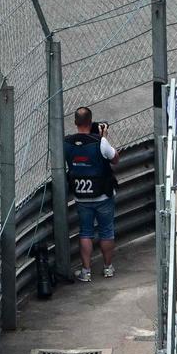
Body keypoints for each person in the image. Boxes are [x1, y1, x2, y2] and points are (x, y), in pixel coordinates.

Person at [65, 106, 119, 281]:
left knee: (85, 232)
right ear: (90, 122)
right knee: (106, 231)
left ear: (75, 122)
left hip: (81, 195)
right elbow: (115, 159)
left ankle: (86, 271)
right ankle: (108, 268)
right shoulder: (100, 142)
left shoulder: (67, 143)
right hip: (103, 194)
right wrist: (104, 137)